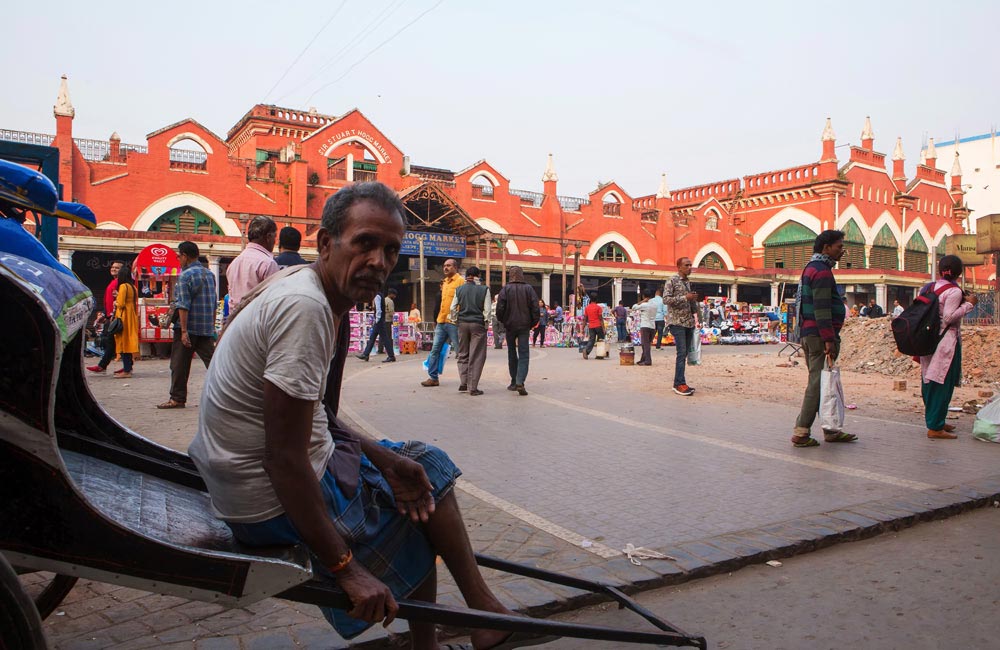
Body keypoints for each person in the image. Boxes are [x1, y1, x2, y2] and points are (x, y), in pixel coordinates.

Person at [187, 182, 520, 649]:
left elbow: (314, 416)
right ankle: (479, 617)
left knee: (420, 466)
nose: (379, 262)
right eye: (364, 243)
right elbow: (283, 458)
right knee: (418, 515)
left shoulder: (304, 288)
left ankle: (479, 616)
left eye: (390, 250)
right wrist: (347, 569)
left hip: (268, 472)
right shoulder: (305, 308)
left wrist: (385, 460)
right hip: (266, 499)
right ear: (326, 243)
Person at [791, 230, 857, 447]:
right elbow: (821, 309)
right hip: (819, 337)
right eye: (839, 247)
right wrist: (828, 339)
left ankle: (831, 429)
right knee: (818, 384)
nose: (842, 251)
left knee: (823, 383)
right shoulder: (821, 272)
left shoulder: (811, 268)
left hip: (810, 334)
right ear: (826, 247)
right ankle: (801, 432)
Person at [920, 255, 977, 440]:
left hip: (928, 340)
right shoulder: (953, 292)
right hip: (946, 342)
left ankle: (937, 419)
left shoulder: (929, 287)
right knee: (942, 382)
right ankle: (935, 427)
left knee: (929, 379)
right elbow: (949, 317)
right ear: (959, 272)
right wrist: (969, 305)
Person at [157, 241, 218, 409]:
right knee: (214, 363)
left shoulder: (185, 276)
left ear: (185, 256)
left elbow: (183, 305)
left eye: (179, 256)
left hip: (188, 328)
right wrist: (212, 327)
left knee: (179, 365)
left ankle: (177, 398)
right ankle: (226, 394)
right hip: (205, 329)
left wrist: (183, 331)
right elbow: (213, 303)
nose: (178, 259)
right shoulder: (209, 275)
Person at [495, 266, 539, 395]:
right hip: (524, 325)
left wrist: (504, 320)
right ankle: (520, 380)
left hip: (510, 326)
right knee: (524, 353)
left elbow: (500, 308)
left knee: (511, 352)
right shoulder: (529, 289)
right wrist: (532, 323)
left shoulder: (505, 289)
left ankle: (514, 381)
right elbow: (535, 308)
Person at [421, 258, 464, 387]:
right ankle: (433, 377)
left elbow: (462, 302)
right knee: (435, 350)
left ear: (455, 267)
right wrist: (436, 320)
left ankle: (466, 379)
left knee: (460, 352)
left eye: (449, 266)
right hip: (441, 321)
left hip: (454, 322)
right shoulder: (444, 282)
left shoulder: (460, 282)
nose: (446, 268)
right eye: (445, 266)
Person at [450, 266, 491, 396]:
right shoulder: (484, 289)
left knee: (463, 353)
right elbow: (488, 310)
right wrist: (486, 322)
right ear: (478, 276)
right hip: (477, 324)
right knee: (477, 355)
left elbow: (452, 307)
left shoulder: (459, 289)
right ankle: (473, 387)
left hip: (462, 324)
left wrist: (455, 319)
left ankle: (463, 382)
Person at [226, 215, 279, 309]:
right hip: (256, 320)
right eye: (274, 237)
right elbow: (273, 301)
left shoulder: (234, 263)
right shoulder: (267, 264)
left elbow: (231, 298)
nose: (275, 242)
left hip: (235, 320)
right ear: (268, 237)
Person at [664, 257, 699, 396]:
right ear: (679, 267)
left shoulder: (688, 282)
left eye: (690, 265)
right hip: (677, 323)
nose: (689, 267)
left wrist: (696, 315)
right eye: (686, 265)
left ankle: (680, 382)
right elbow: (666, 299)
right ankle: (679, 384)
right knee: (681, 353)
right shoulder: (672, 281)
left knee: (684, 354)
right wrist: (686, 298)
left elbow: (691, 303)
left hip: (688, 322)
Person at [87, 259, 124, 374]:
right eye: (112, 267)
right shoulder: (114, 282)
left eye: (117, 268)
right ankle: (104, 365)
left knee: (113, 341)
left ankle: (104, 365)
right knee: (112, 342)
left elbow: (119, 301)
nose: (113, 269)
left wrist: (112, 315)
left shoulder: (121, 284)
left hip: (115, 317)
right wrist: (104, 314)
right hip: (110, 316)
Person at [112, 263, 139, 378]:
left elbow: (121, 304)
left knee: (123, 343)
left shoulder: (123, 287)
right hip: (131, 316)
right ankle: (128, 367)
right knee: (128, 341)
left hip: (123, 317)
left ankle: (127, 370)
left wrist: (115, 301)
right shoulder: (133, 287)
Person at [357, 289, 397, 363]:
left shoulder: (377, 296)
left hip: (379, 321)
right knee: (373, 337)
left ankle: (391, 356)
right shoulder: (380, 295)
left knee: (385, 339)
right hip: (380, 320)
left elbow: (379, 310)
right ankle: (366, 354)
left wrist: (377, 320)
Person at [635, 289, 657, 365]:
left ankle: (648, 360)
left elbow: (634, 307)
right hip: (652, 326)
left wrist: (643, 301)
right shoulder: (655, 305)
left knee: (645, 344)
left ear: (643, 296)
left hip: (645, 326)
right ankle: (643, 359)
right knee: (647, 344)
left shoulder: (644, 305)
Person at [582, 293, 606, 360]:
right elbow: (601, 319)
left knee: (591, 340)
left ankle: (586, 351)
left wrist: (582, 328)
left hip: (591, 326)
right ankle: (599, 354)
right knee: (600, 339)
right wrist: (603, 328)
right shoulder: (598, 308)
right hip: (598, 325)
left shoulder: (587, 308)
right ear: (596, 299)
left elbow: (585, 319)